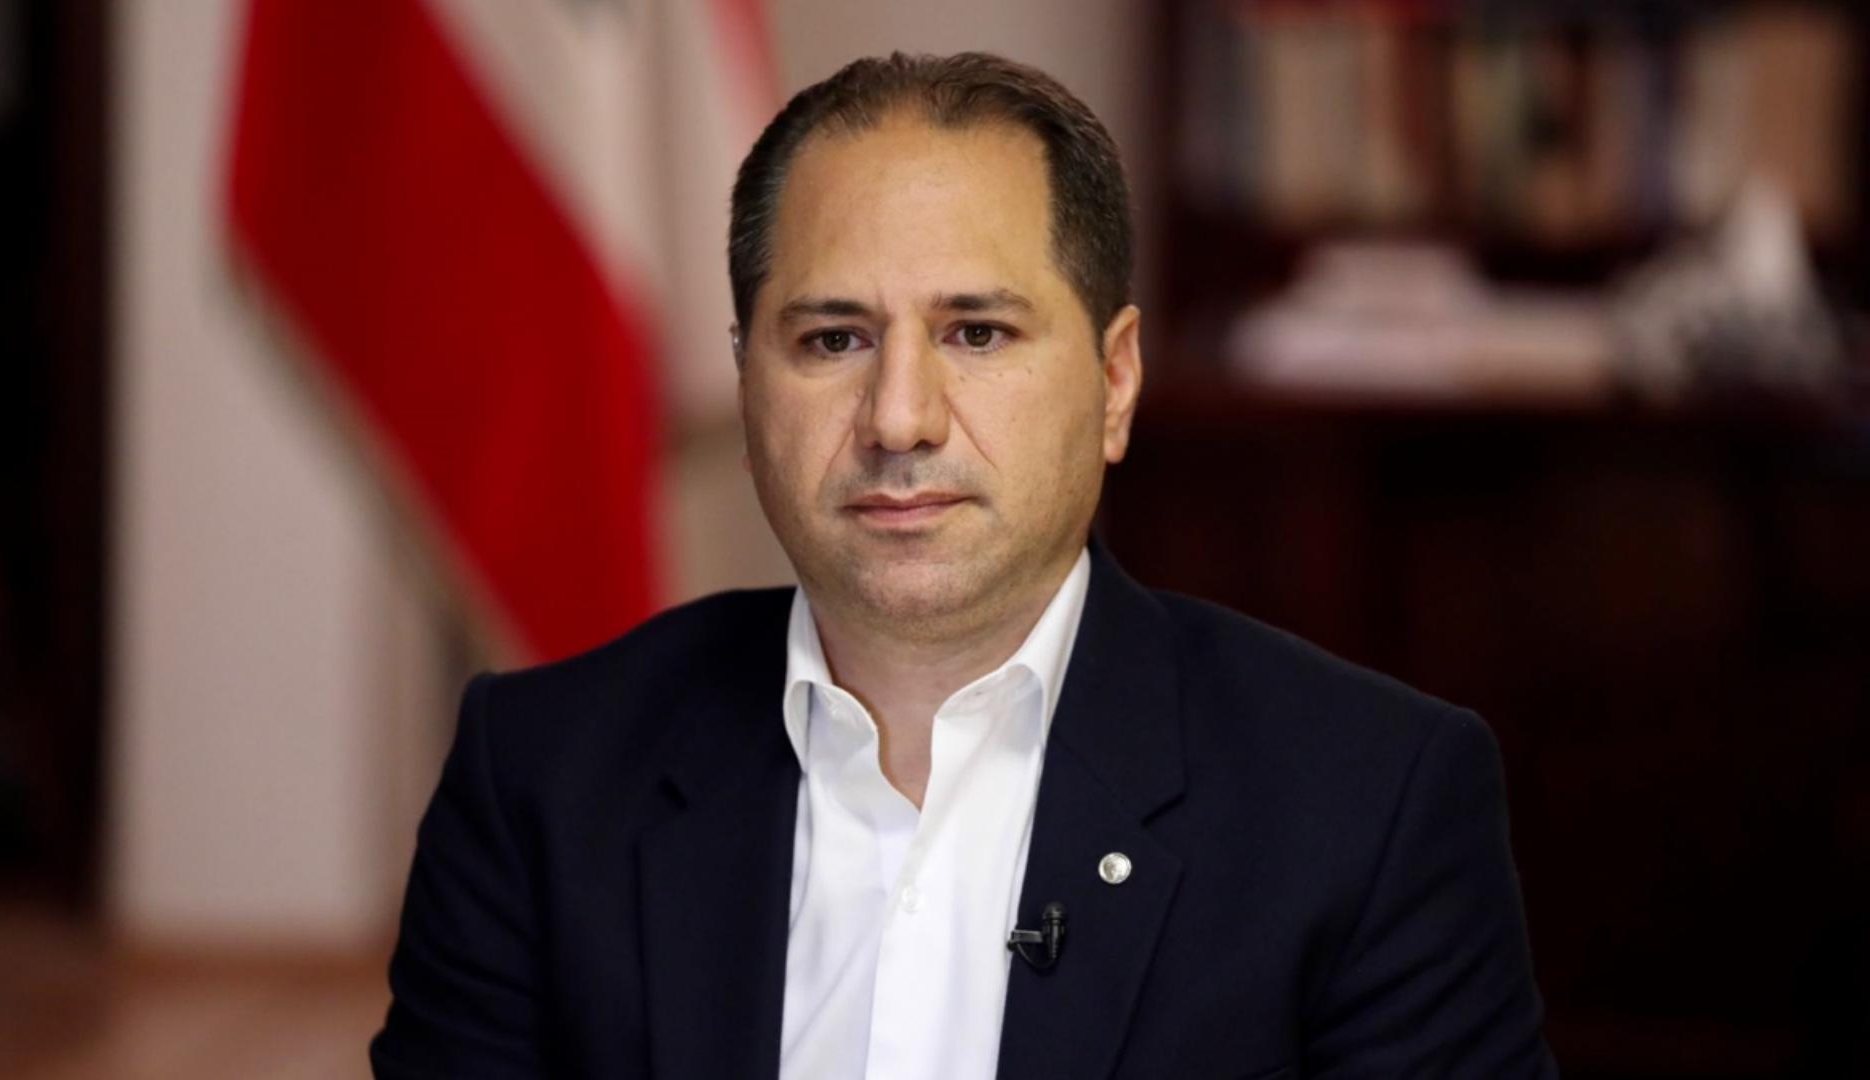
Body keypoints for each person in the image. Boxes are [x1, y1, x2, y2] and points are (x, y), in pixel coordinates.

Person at [371, 52, 1555, 1079]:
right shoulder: (538, 779)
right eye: (833, 338)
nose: (900, 417)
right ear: (745, 387)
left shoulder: (1370, 804)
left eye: (976, 334)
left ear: (1116, 382)